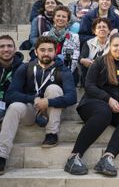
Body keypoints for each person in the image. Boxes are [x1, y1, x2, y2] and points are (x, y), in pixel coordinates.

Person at [64, 33, 119, 176]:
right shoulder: (100, 61)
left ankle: (107, 158)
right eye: (115, 45)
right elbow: (89, 85)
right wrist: (108, 99)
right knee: (104, 112)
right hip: (94, 103)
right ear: (110, 46)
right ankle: (74, 157)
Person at [0, 36, 77, 175]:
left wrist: (48, 102)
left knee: (54, 88)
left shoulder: (63, 70)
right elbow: (10, 94)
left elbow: (72, 97)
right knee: (14, 107)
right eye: (42, 50)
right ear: (36, 52)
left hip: (52, 110)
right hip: (31, 109)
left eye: (50, 50)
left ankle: (51, 134)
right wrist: (34, 99)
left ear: (55, 52)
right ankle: (1, 155)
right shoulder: (26, 67)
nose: (46, 53)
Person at [43, 6, 80, 74]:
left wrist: (67, 73)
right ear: (54, 18)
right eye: (58, 16)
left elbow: (75, 59)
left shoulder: (74, 36)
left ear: (68, 20)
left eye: (64, 17)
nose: (60, 18)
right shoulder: (45, 35)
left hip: (66, 69)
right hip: (47, 69)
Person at [0, 35, 24, 122]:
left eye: (9, 46)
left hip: (13, 106)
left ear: (15, 49)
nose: (6, 49)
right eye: (2, 46)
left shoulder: (24, 68)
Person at [79, 18, 111, 83]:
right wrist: (83, 60)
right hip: (91, 75)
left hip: (108, 75)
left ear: (109, 30)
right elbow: (81, 57)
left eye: (104, 27)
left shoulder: (114, 43)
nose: (102, 29)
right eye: (99, 27)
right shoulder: (88, 43)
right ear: (94, 31)